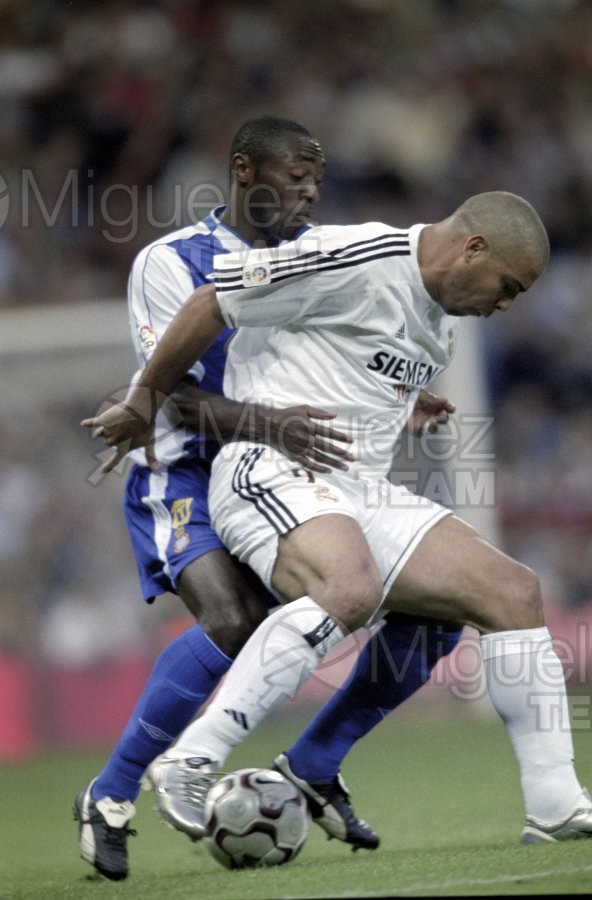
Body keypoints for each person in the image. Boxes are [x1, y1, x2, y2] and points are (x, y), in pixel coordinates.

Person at [88, 189, 592, 847]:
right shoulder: (355, 253)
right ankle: (191, 760)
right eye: (508, 287)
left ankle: (555, 806)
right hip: (267, 466)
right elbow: (213, 299)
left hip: (351, 488)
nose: (504, 305)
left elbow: (346, 369)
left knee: (512, 591)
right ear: (473, 247)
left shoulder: (441, 316)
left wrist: (401, 408)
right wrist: (144, 400)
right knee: (343, 588)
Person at [76, 115, 461, 881]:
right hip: (188, 469)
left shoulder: (319, 257)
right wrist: (273, 422)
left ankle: (317, 761)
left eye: (318, 179)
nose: (311, 191)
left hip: (297, 472)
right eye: (297, 176)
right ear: (245, 169)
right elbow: (170, 398)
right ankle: (111, 794)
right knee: (233, 619)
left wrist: (397, 400)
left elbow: (349, 366)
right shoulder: (172, 261)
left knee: (436, 611)